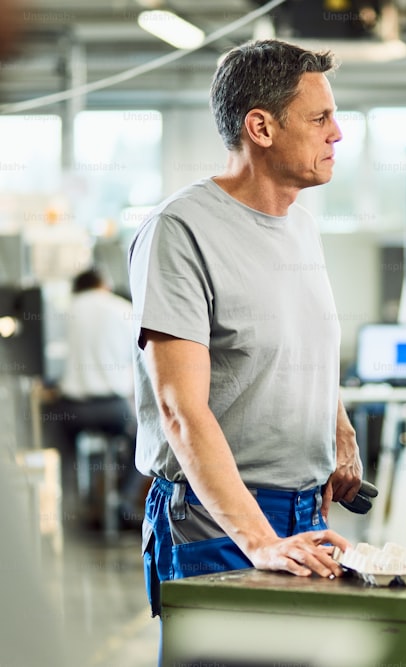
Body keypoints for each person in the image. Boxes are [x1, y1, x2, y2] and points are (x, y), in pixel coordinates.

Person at [127, 39, 362, 619]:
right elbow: (180, 409)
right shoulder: (180, 231)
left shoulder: (301, 227)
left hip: (304, 513)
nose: (338, 133)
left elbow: (303, 347)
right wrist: (259, 540)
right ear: (261, 127)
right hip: (217, 522)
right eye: (320, 118)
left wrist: (340, 434)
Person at [46, 267, 144, 527]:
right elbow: (139, 359)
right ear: (104, 285)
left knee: (61, 451)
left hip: (71, 410)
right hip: (113, 409)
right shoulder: (123, 309)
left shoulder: (63, 310)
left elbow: (51, 358)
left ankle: (68, 510)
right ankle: (122, 500)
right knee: (141, 442)